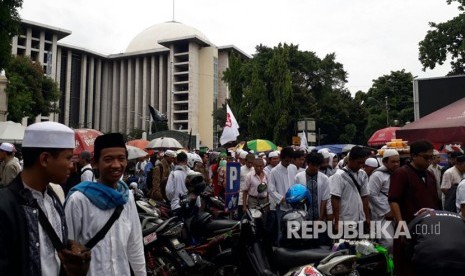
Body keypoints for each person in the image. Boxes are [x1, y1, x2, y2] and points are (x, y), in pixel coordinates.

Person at [0, 122, 90, 275]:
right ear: (45, 159)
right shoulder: (5, 206)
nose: (72, 166)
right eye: (68, 158)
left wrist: (69, 248)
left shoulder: (53, 198)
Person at [65, 133, 146, 276]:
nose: (116, 165)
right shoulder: (78, 200)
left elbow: (135, 246)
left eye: (121, 159)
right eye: (108, 159)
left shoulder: (127, 198)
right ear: (95, 162)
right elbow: (68, 249)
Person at [389, 140, 441, 276]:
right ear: (413, 156)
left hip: (429, 227)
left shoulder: (430, 174)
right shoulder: (402, 173)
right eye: (426, 157)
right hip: (408, 226)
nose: (429, 161)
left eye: (431, 157)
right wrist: (401, 224)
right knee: (406, 265)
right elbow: (394, 201)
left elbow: (435, 201)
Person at [406, 208, 465, 275]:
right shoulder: (460, 217)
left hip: (429, 261)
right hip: (460, 260)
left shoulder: (420, 217)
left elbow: (405, 240)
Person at [330, 146, 370, 234]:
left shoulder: (363, 174)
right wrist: (337, 222)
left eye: (362, 163)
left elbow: (365, 197)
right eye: (358, 162)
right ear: (350, 159)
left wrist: (367, 217)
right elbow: (335, 199)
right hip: (345, 220)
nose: (360, 166)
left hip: (360, 220)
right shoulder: (339, 176)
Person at [367, 149, 400, 253]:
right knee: (388, 243)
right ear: (385, 162)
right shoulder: (377, 175)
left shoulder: (398, 173)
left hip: (396, 213)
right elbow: (371, 195)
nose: (396, 164)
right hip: (382, 215)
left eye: (397, 161)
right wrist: (386, 211)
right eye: (393, 162)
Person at [295, 152, 332, 222]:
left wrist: (320, 219)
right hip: (303, 217)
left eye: (317, 166)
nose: (315, 168)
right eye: (313, 165)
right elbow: (297, 198)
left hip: (319, 216)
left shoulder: (324, 178)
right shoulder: (298, 177)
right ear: (308, 163)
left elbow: (324, 199)